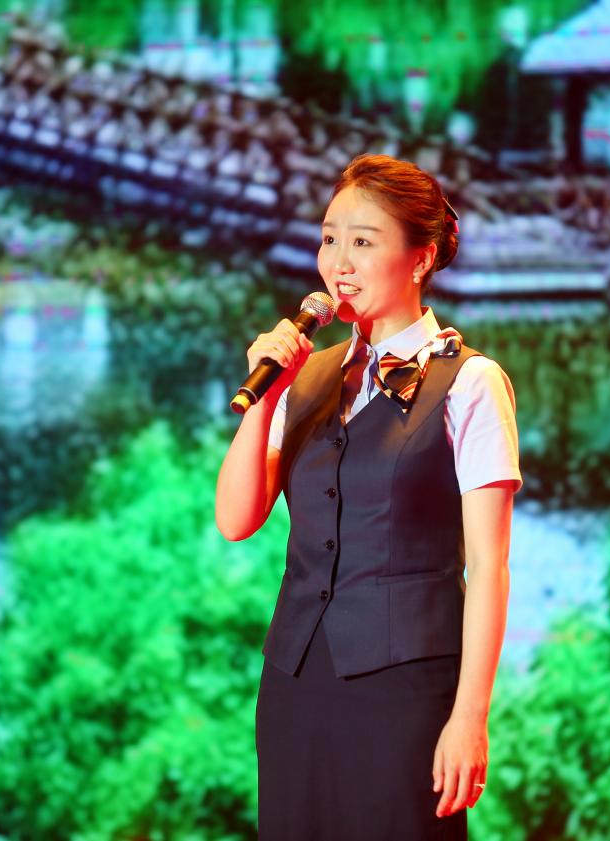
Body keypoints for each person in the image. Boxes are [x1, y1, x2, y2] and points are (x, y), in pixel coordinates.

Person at [215, 153, 521, 840]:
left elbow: (489, 567)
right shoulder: (306, 377)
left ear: (421, 258)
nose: (338, 263)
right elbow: (235, 519)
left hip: (406, 691)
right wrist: (267, 395)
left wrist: (469, 718)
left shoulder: (471, 383)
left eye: (362, 241)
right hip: (296, 683)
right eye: (329, 239)